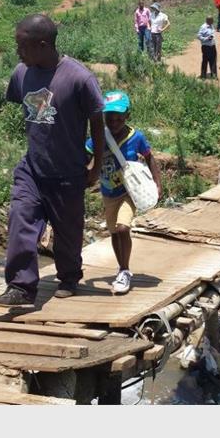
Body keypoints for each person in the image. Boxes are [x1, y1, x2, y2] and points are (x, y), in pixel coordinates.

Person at [0, 14, 105, 306]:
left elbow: (97, 119)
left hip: (67, 170)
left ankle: (69, 276)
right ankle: (20, 287)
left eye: (22, 46)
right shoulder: (21, 74)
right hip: (32, 168)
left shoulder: (79, 77)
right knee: (21, 218)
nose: (18, 52)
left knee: (68, 232)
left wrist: (97, 165)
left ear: (42, 45)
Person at [85, 91, 162, 294]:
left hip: (129, 191)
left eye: (119, 117)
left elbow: (149, 157)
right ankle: (121, 268)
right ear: (104, 117)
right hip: (108, 192)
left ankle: (125, 270)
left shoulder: (136, 137)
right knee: (113, 232)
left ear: (127, 115)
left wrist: (157, 183)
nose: (114, 121)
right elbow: (85, 157)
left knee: (122, 228)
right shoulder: (98, 137)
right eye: (110, 117)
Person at [197, 15, 217, 80]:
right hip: (206, 47)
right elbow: (199, 36)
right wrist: (207, 38)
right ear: (208, 20)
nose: (213, 21)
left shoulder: (211, 26)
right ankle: (203, 75)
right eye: (211, 20)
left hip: (212, 46)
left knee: (213, 61)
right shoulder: (203, 27)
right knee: (205, 61)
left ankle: (213, 75)